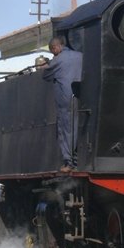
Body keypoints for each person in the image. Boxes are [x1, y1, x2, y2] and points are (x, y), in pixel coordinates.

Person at [41, 36, 83, 172]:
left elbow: (46, 76)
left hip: (66, 99)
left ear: (56, 47)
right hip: (82, 98)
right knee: (78, 127)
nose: (53, 53)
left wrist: (45, 66)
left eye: (52, 51)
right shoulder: (80, 56)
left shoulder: (58, 60)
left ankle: (70, 163)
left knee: (66, 130)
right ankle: (79, 160)